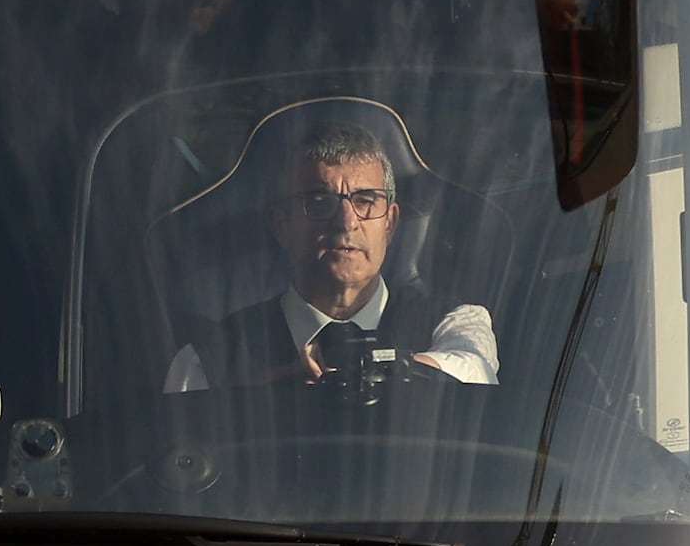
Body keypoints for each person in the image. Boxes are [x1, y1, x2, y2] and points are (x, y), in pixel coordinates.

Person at [162, 99, 496, 393]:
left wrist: (373, 366)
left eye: (366, 200)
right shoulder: (208, 362)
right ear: (281, 224)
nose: (347, 222)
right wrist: (255, 397)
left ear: (391, 223)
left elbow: (474, 370)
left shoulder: (455, 323)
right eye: (320, 201)